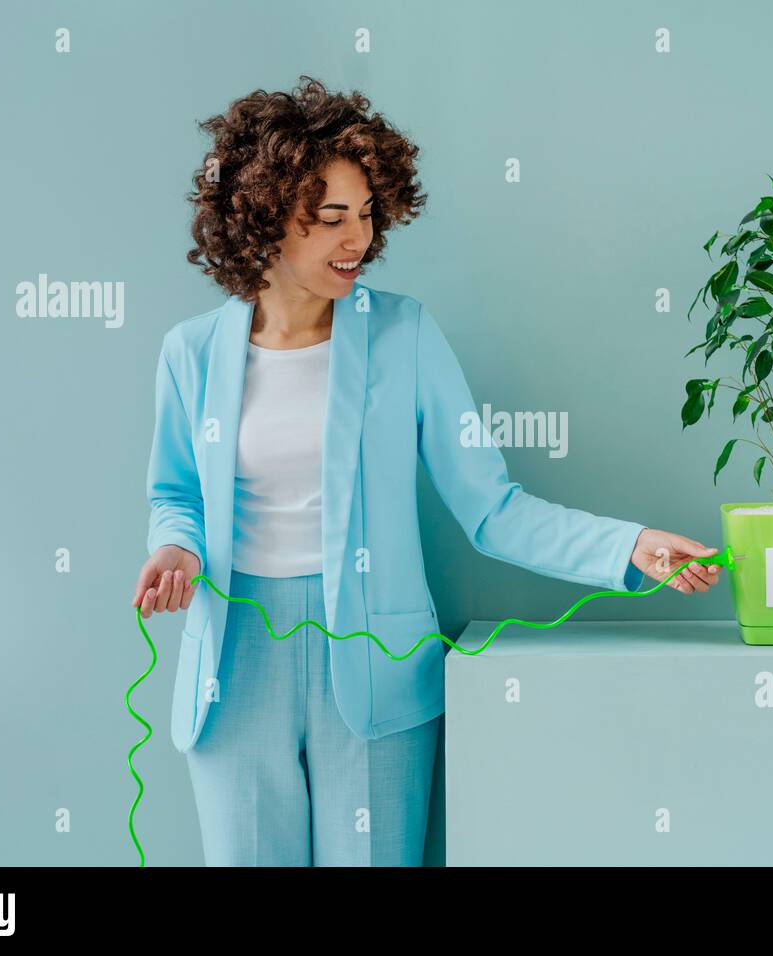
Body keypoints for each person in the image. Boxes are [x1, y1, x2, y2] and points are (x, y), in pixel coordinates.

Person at [129, 76, 723, 867]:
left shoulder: (403, 335)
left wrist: (630, 546)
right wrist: (176, 549)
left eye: (369, 215)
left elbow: (494, 508)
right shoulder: (190, 352)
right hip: (232, 669)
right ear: (266, 220)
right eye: (332, 219)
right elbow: (175, 494)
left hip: (376, 677)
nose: (358, 241)